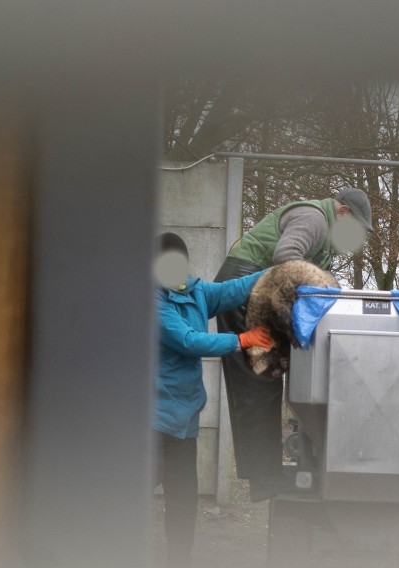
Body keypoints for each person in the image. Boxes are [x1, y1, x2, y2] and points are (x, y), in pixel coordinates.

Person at [214, 187, 373, 502]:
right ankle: (265, 479)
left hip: (258, 291)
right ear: (342, 213)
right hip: (243, 290)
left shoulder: (324, 236)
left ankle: (268, 475)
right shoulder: (313, 218)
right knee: (258, 381)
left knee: (266, 380)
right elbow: (286, 256)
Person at [154, 232, 272, 567]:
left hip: (185, 416)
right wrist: (242, 339)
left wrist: (270, 274)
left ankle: (179, 559)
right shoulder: (153, 300)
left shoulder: (195, 291)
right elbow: (189, 341)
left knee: (183, 500)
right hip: (153, 417)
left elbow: (230, 291)